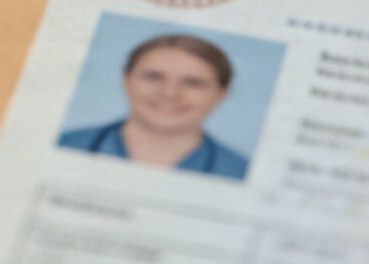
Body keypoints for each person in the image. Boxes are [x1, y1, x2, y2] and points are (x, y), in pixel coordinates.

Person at [58, 32, 249, 179]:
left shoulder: (240, 172)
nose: (169, 93)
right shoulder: (65, 143)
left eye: (193, 83)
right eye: (153, 76)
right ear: (126, 80)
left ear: (222, 94)